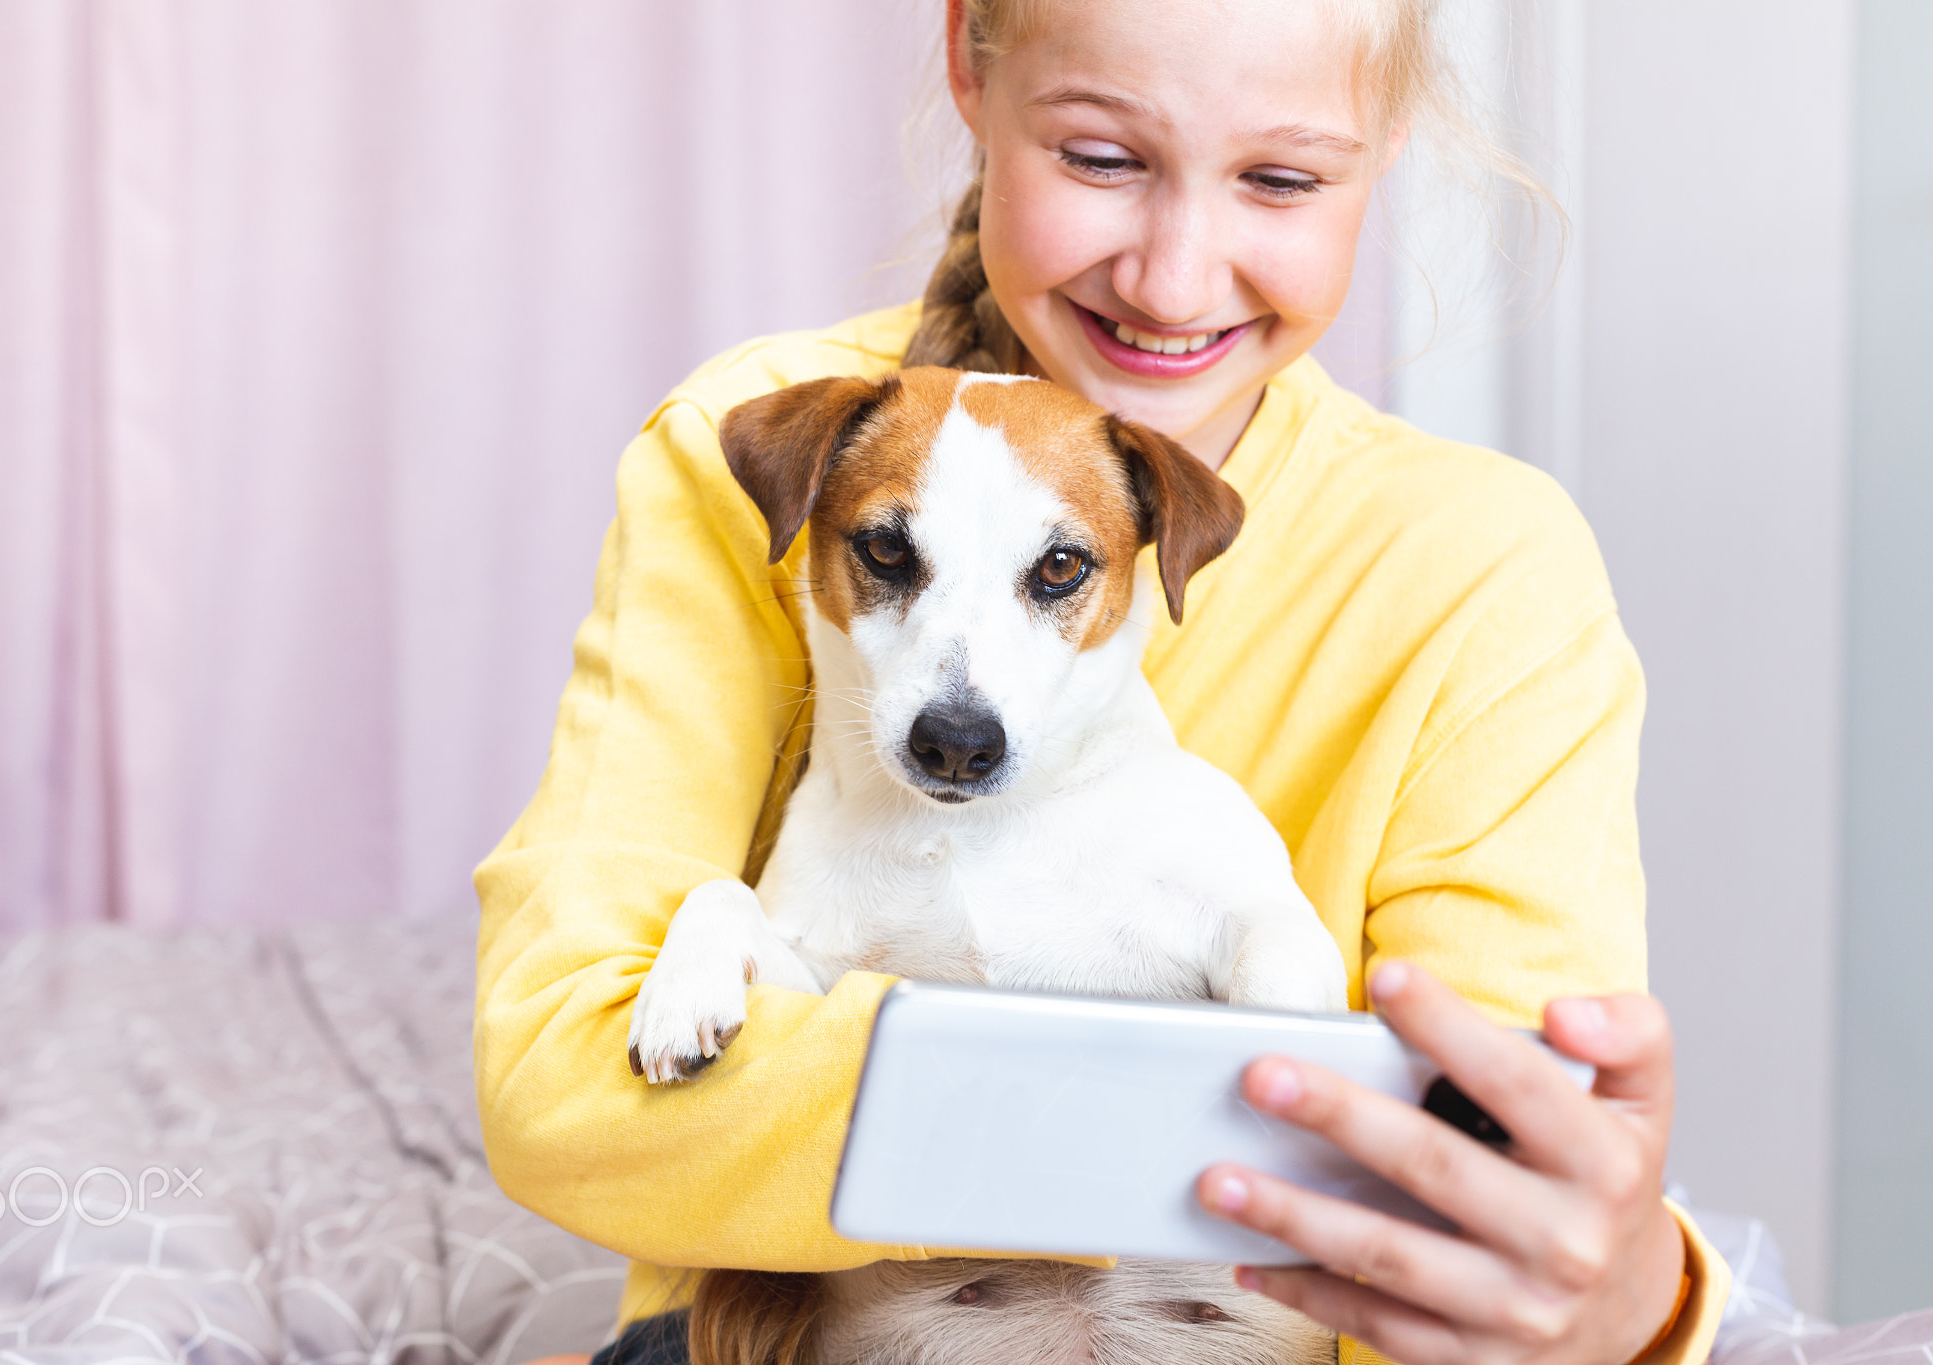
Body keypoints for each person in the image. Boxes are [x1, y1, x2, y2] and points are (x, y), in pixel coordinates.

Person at [473, 1, 1732, 1362]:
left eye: (1283, 177)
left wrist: (1633, 1283)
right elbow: (563, 1082)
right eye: (1101, 157)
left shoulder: (1487, 567)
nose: (1176, 280)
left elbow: (1497, 1189)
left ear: (1388, 143)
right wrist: (1184, 1112)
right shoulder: (758, 442)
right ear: (969, 61)